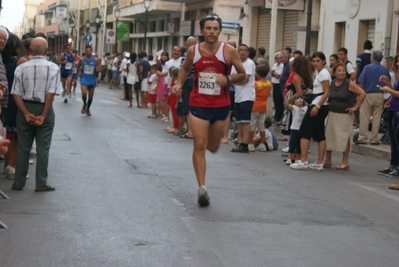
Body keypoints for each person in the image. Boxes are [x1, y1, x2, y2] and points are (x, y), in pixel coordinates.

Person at [171, 14, 245, 206]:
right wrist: (179, 83)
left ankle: (203, 181)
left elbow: (243, 75)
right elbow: (185, 69)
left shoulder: (228, 51)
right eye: (208, 28)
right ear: (202, 31)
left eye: (215, 28)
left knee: (212, 146)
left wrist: (227, 79)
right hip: (198, 103)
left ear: (219, 31)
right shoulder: (193, 51)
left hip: (220, 105)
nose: (212, 32)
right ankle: (202, 188)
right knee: (199, 144)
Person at [11, 37, 60, 191]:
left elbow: (15, 94)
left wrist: (25, 113)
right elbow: (51, 95)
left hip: (24, 107)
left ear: (31, 50)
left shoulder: (21, 68)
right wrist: (44, 115)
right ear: (46, 50)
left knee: (23, 147)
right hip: (44, 107)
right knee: (43, 148)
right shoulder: (53, 68)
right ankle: (41, 184)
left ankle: (18, 182)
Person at [290, 52, 331, 171]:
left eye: (318, 61)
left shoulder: (323, 74)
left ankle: (303, 160)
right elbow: (320, 91)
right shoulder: (321, 74)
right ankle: (319, 162)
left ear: (323, 61)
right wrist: (309, 91)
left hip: (318, 105)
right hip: (319, 103)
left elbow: (327, 91)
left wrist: (317, 106)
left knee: (304, 132)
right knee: (319, 134)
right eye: (313, 61)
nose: (315, 63)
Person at [324, 63, 366, 170]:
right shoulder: (332, 83)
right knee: (330, 136)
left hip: (344, 114)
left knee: (344, 137)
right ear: (334, 73)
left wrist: (355, 107)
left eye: (343, 70)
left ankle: (345, 161)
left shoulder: (349, 83)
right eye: (339, 71)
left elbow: (362, 93)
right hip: (332, 113)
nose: (342, 73)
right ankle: (328, 159)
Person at [2, 32, 28, 179]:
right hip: (14, 101)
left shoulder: (2, 60)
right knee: (15, 136)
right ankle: (11, 167)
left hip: (3, 100)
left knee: (6, 135)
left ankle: (8, 165)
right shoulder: (20, 61)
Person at [356, 50, 390, 145]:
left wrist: (358, 95)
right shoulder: (385, 69)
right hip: (380, 94)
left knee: (365, 116)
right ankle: (374, 139)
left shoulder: (367, 68)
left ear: (372, 57)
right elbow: (388, 82)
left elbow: (361, 83)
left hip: (368, 94)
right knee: (376, 117)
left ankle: (362, 137)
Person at [231, 44, 256, 153]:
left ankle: (245, 143)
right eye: (241, 50)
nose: (243, 52)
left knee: (245, 121)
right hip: (238, 95)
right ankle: (240, 141)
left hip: (247, 96)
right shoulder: (235, 64)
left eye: (245, 50)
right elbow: (232, 78)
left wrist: (235, 81)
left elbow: (245, 79)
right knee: (239, 121)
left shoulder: (249, 63)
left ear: (248, 53)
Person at [380, 61, 399, 187]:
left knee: (397, 141)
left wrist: (388, 90)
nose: (397, 63)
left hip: (398, 111)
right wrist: (388, 85)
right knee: (393, 140)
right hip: (393, 109)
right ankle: (393, 164)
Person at [248, 64, 272, 152]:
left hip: (255, 105)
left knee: (252, 126)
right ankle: (262, 145)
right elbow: (268, 92)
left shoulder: (255, 84)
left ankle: (250, 144)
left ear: (257, 74)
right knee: (261, 126)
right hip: (263, 106)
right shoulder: (269, 83)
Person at [221, 39, 237, 144]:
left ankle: (225, 136)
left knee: (228, 113)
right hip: (221, 89)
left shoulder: (236, 60)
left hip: (232, 90)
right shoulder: (222, 58)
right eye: (228, 45)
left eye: (232, 46)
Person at [77, 45, 102, 116]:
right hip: (84, 79)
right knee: (84, 93)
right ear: (85, 51)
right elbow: (78, 66)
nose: (88, 52)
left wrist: (98, 69)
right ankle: (84, 104)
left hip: (92, 79)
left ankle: (88, 109)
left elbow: (100, 69)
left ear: (91, 51)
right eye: (87, 51)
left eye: (89, 51)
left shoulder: (96, 60)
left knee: (90, 97)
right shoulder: (82, 59)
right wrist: (79, 71)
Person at [284, 93, 307, 165]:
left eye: (301, 98)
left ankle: (297, 158)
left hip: (302, 129)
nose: (300, 100)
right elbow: (288, 106)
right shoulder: (294, 107)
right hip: (294, 128)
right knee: (292, 144)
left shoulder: (306, 108)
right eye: (297, 99)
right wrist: (286, 98)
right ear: (294, 101)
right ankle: (289, 158)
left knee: (299, 145)